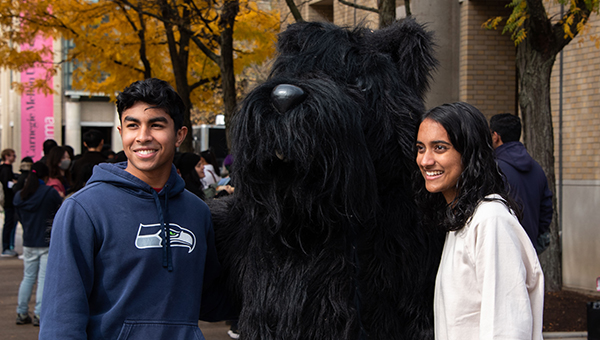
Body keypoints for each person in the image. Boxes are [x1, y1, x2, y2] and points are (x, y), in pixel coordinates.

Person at [40, 78, 232, 339]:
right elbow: (61, 321)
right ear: (121, 133)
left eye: (156, 125)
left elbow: (211, 301)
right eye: (133, 125)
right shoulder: (82, 209)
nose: (143, 137)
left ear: (180, 135)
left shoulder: (197, 212)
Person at [414, 102, 544, 340]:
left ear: (470, 153)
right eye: (421, 148)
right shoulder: (461, 217)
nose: (425, 160)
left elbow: (507, 327)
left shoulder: (490, 220)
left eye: (440, 148)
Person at [490, 113, 553, 253]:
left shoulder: (493, 169)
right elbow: (546, 209)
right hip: (530, 247)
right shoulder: (537, 168)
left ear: (495, 136)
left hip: (502, 248)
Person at [13, 161, 62, 326]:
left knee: (27, 277)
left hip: (28, 241)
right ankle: (39, 314)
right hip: (46, 241)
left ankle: (21, 311)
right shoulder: (50, 193)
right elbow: (59, 212)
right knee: (43, 279)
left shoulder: (20, 195)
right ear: (46, 176)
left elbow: (18, 215)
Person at [1, 148, 18, 257]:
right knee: (9, 223)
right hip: (9, 201)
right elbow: (7, 184)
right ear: (7, 156)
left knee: (10, 223)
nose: (14, 157)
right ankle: (7, 246)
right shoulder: (5, 169)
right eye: (12, 155)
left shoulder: (6, 168)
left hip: (8, 200)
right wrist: (14, 184)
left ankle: (8, 246)